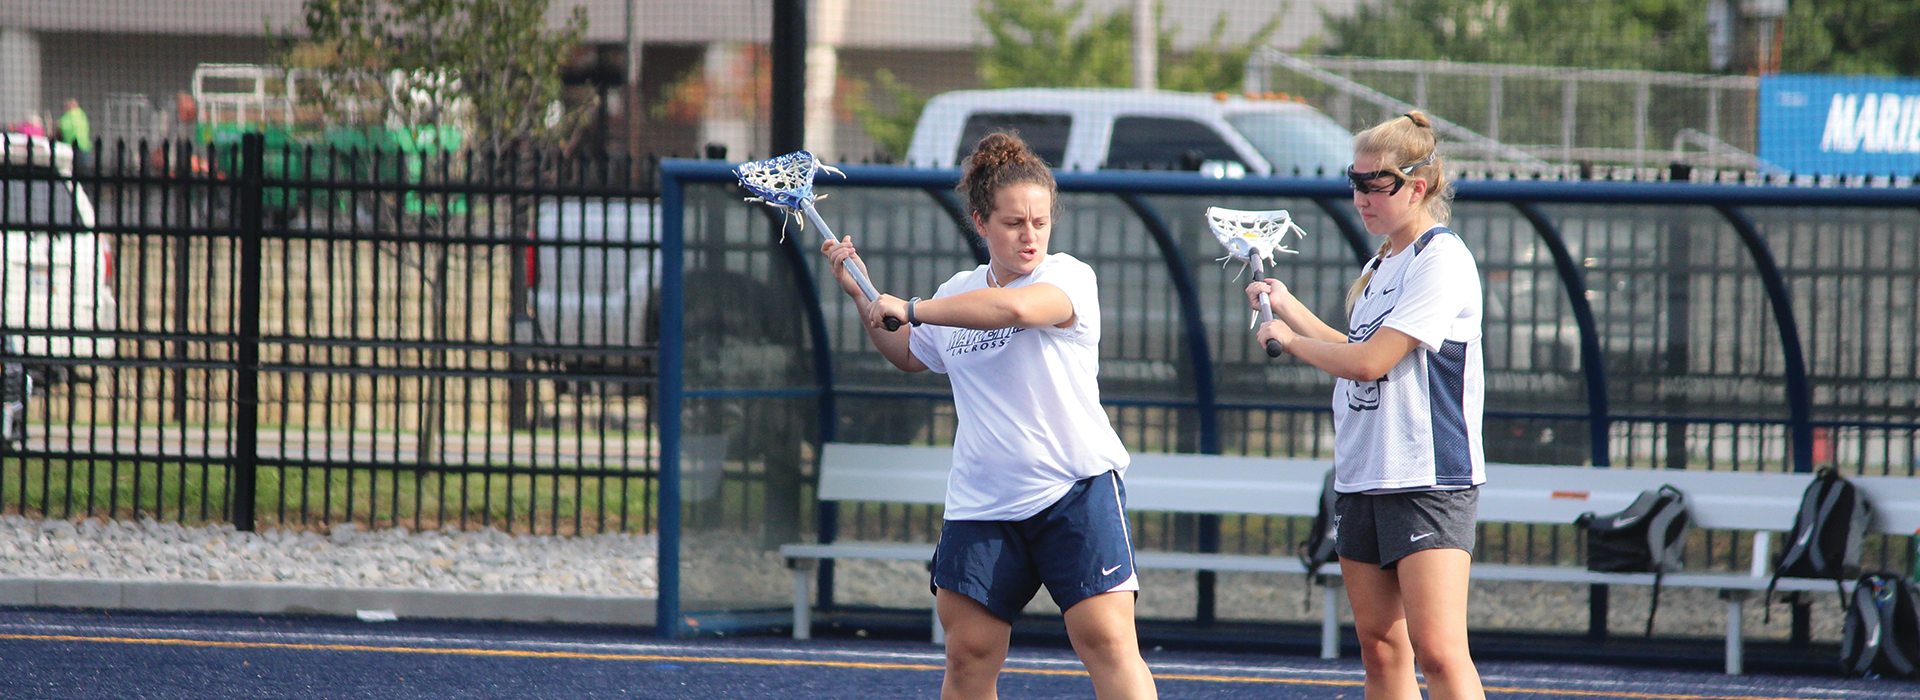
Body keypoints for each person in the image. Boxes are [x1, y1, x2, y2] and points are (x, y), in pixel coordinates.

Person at [821, 132, 1158, 700]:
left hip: (1073, 490)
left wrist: (911, 308)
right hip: (984, 502)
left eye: (1040, 222)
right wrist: (864, 300)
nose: (1030, 235)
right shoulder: (958, 291)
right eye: (1013, 223)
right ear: (981, 223)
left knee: (1105, 641)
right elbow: (909, 354)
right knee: (968, 655)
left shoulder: (1069, 277)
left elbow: (1018, 308)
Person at [1245, 111, 1487, 700]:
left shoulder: (1441, 257)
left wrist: (1289, 341)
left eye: (1374, 184)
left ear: (1418, 185)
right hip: (1363, 474)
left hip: (1427, 477)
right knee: (1380, 649)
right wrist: (1287, 306)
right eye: (1354, 182)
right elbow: (1355, 346)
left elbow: (1371, 362)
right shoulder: (1381, 263)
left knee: (1438, 651)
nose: (1360, 197)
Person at [56, 99, 91, 169]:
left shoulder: (66, 118)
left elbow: (60, 130)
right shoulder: (82, 116)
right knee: (82, 169)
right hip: (84, 146)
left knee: (71, 168)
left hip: (70, 147)